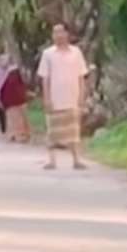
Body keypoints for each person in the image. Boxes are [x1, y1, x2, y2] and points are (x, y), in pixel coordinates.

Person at [37, 24, 89, 170]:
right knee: (52, 132)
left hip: (72, 97)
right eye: (55, 33)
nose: (58, 35)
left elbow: (81, 76)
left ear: (67, 34)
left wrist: (82, 96)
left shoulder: (76, 52)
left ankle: (76, 160)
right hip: (55, 98)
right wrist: (46, 98)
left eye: (61, 32)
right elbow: (45, 78)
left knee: (74, 132)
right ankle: (52, 161)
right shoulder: (48, 54)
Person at [0, 55, 31, 143]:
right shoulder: (1, 72)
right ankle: (14, 134)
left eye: (3, 60)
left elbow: (22, 83)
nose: (1, 63)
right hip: (10, 99)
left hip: (17, 98)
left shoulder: (15, 71)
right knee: (13, 117)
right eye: (0, 61)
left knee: (19, 117)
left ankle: (22, 135)